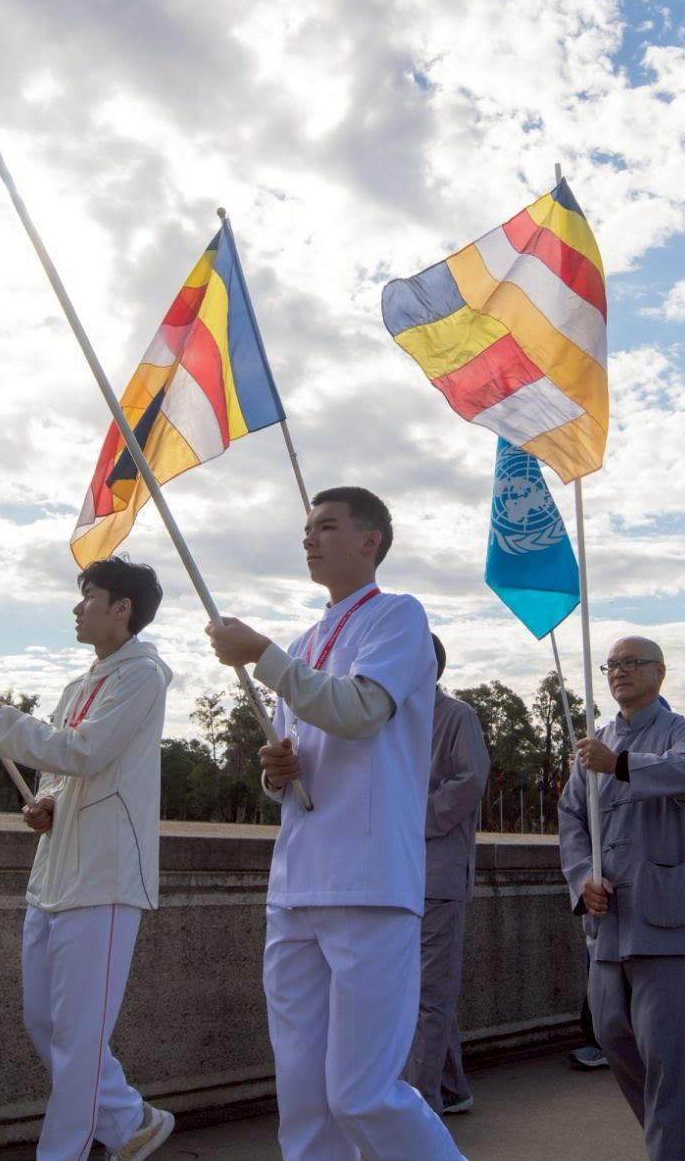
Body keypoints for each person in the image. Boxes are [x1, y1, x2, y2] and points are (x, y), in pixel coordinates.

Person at [206, 486, 463, 1161]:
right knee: (303, 1096)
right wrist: (277, 772)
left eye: (326, 526)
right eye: (307, 528)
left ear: (370, 540)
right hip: (296, 883)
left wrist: (262, 654)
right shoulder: (304, 642)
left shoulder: (398, 616)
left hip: (369, 881)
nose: (309, 538)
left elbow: (360, 712)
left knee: (361, 1093)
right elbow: (303, 759)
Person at [0, 555, 178, 1161]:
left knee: (79, 1040)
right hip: (55, 873)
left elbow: (84, 750)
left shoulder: (143, 675)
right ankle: (130, 1120)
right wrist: (48, 801)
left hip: (105, 875)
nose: (78, 609)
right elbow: (62, 770)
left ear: (122, 608)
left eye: (89, 597)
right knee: (46, 1023)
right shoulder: (78, 686)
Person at [559, 636, 685, 1159]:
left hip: (665, 918)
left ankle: (670, 1147)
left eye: (632, 663)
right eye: (612, 665)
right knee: (611, 1035)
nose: (619, 672)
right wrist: (583, 878)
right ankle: (677, 1125)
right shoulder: (594, 744)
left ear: (660, 672)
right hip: (609, 921)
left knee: (668, 1055)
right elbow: (571, 818)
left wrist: (620, 764)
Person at [404, 636, 489, 1115]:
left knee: (428, 995)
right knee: (418, 991)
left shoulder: (458, 716)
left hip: (438, 874)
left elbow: (470, 781)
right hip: (397, 873)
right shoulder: (393, 718)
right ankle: (453, 1088)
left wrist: (407, 820)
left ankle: (421, 1106)